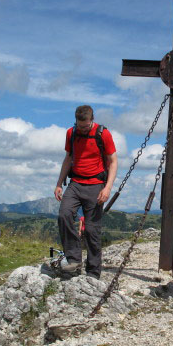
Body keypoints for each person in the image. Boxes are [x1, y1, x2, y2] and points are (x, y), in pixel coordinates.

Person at [55, 105, 117, 278]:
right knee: (64, 215)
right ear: (76, 121)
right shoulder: (71, 133)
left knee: (92, 230)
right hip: (75, 183)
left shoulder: (103, 134)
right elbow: (68, 158)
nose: (82, 129)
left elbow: (113, 161)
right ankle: (74, 260)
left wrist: (107, 188)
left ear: (92, 120)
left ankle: (93, 272)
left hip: (96, 184)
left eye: (85, 126)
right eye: (79, 125)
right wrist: (59, 183)